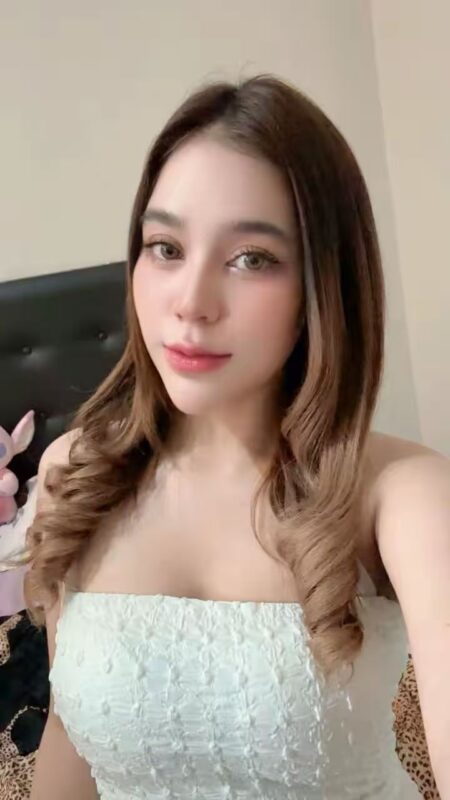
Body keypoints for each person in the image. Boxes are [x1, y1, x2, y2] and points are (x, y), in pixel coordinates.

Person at [26, 74, 449, 799]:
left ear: (322, 287)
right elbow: (71, 735)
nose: (191, 303)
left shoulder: (403, 496)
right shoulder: (77, 471)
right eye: (165, 247)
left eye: (251, 258)